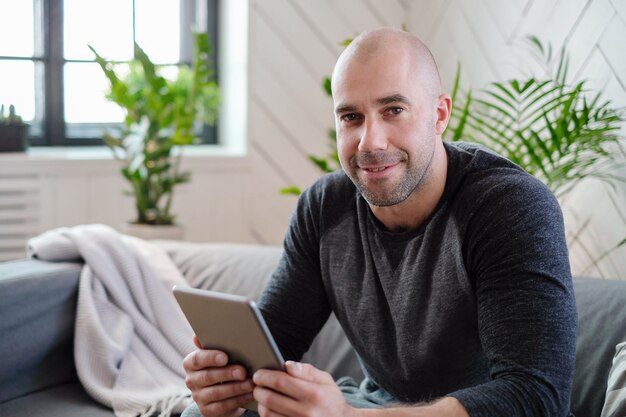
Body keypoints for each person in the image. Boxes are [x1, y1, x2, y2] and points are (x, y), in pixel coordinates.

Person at [182, 27, 577, 417]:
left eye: (394, 110)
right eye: (351, 117)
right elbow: (276, 342)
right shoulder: (324, 208)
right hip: (371, 406)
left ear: (439, 115)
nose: (370, 142)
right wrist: (227, 386)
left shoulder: (509, 207)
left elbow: (535, 397)